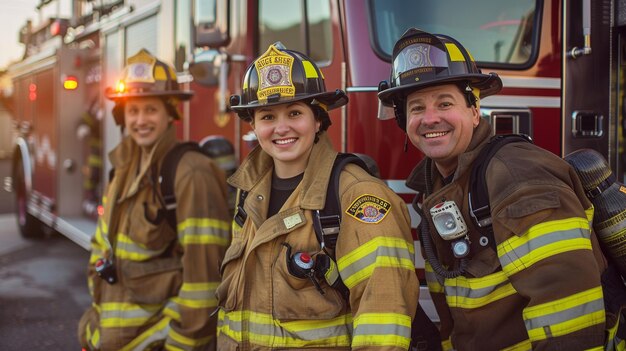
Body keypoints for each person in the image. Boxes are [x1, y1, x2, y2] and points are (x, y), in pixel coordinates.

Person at [378, 28, 608, 350]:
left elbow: (569, 316)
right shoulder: (440, 184)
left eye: (445, 103)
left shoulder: (518, 178)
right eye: (417, 108)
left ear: (474, 111)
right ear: (404, 123)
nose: (430, 119)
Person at [216, 43, 419, 350]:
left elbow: (383, 325)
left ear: (319, 120)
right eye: (267, 116)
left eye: (295, 113)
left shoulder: (357, 196)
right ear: (253, 125)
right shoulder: (249, 192)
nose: (281, 128)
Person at [77, 49, 231, 351]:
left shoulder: (191, 173)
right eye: (133, 111)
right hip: (114, 335)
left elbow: (204, 281)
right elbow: (102, 246)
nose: (140, 120)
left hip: (158, 340)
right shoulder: (121, 170)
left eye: (150, 110)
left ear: (170, 112)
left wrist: (183, 344)